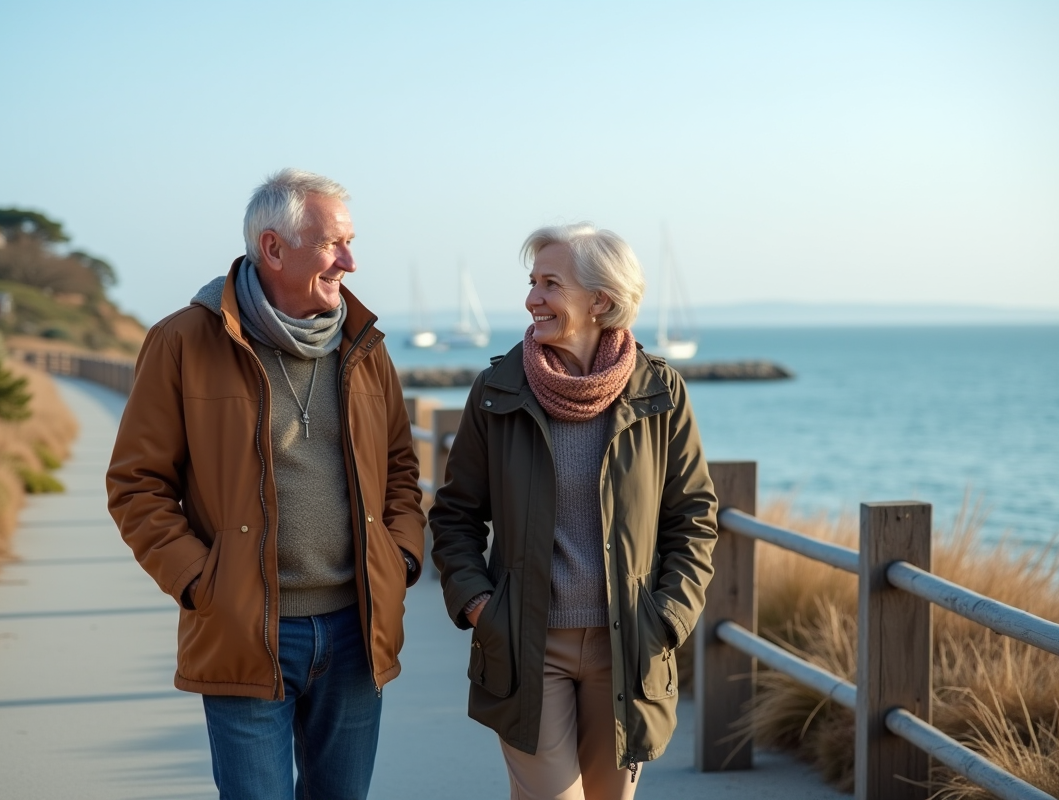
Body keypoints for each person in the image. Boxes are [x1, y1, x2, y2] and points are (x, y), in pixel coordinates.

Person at [106, 168, 425, 800]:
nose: (351, 262)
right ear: (273, 248)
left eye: (351, 242)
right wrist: (201, 581)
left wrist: (401, 558)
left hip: (357, 629)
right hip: (244, 628)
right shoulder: (182, 341)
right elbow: (136, 484)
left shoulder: (365, 345)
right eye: (334, 244)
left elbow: (401, 470)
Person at [429, 223, 718, 800]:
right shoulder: (498, 390)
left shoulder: (660, 392)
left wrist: (669, 616)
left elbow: (694, 518)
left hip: (629, 644)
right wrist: (480, 606)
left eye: (550, 284)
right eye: (532, 282)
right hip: (526, 643)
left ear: (601, 300)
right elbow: (455, 514)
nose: (532, 298)